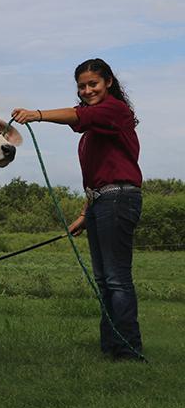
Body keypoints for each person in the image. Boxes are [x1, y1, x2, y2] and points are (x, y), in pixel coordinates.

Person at [12, 58, 143, 360]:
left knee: (116, 278)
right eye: (81, 86)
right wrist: (86, 213)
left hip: (119, 199)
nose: (86, 90)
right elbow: (98, 170)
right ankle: (112, 345)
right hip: (100, 202)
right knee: (103, 279)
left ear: (108, 82)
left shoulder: (116, 110)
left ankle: (128, 349)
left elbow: (76, 116)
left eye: (93, 84)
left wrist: (37, 115)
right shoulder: (93, 128)